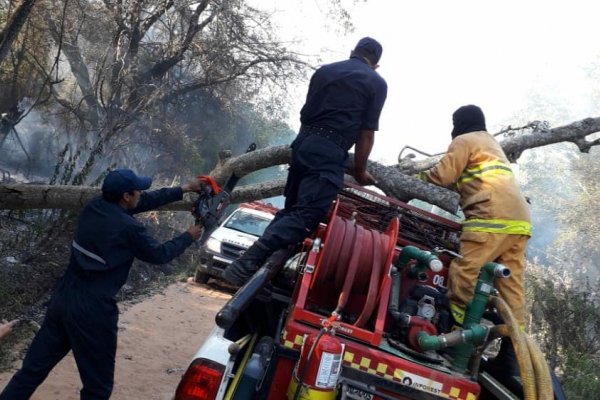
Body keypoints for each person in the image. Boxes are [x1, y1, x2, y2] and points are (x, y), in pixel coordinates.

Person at [0, 169, 204, 400]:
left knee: (30, 372)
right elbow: (159, 255)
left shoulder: (93, 207)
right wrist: (188, 236)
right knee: (97, 388)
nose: (141, 194)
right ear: (126, 196)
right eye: (138, 190)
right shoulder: (130, 229)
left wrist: (183, 189)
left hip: (63, 300)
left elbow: (145, 200)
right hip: (93, 312)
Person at [223, 37, 388, 286]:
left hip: (303, 144)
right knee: (307, 216)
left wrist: (302, 148)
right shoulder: (376, 82)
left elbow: (305, 116)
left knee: (291, 211)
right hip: (329, 152)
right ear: (376, 65)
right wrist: (361, 171)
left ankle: (257, 271)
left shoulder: (325, 71)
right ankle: (247, 262)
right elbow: (366, 134)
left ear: (352, 52)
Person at [418, 104, 531, 378]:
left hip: (490, 217)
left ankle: (455, 337)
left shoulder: (464, 140)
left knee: (463, 272)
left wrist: (418, 177)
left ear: (460, 123)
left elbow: (442, 176)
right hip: (520, 222)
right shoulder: (490, 144)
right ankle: (515, 356)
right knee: (511, 289)